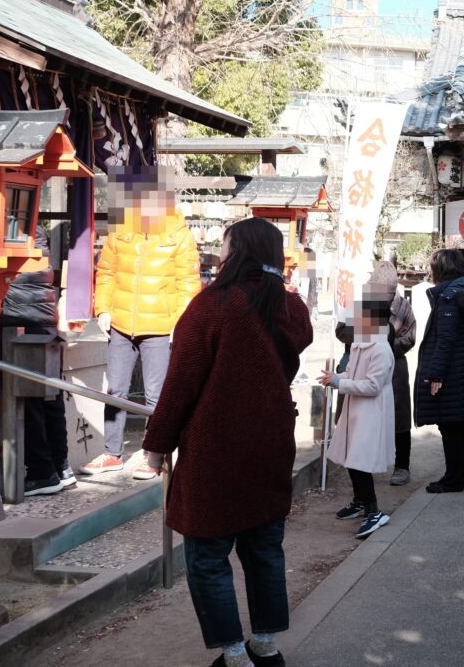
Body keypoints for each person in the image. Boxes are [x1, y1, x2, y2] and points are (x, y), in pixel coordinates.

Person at [141, 218, 314, 667]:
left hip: (215, 450)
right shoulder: (291, 309)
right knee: (263, 550)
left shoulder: (213, 306)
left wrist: (156, 445)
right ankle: (266, 645)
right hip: (270, 445)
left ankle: (234, 653)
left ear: (238, 250)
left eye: (224, 242)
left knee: (207, 556)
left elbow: (180, 384)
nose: (218, 250)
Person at [85, 165, 201, 479]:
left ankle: (155, 456)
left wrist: (181, 323)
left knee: (157, 394)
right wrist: (103, 308)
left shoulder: (180, 235)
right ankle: (112, 453)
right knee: (116, 390)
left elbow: (188, 285)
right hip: (121, 322)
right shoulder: (122, 228)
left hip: (161, 327)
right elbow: (105, 272)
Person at [321, 269, 396, 539]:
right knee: (353, 458)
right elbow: (354, 374)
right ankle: (361, 502)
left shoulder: (380, 349)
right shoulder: (360, 343)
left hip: (371, 412)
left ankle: (374, 510)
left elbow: (373, 386)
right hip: (357, 409)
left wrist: (340, 383)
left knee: (359, 461)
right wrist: (336, 378)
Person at [3, 226, 74, 496]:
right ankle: (60, 466)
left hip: (22, 326)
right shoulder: (36, 232)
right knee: (49, 396)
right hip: (43, 324)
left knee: (31, 400)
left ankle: (42, 472)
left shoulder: (8, 232)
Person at [334, 262, 417, 486]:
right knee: (357, 416)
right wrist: (365, 335)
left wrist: (387, 346)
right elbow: (341, 331)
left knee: (399, 418)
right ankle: (356, 461)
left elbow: (409, 338)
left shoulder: (403, 306)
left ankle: (402, 466)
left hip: (394, 365)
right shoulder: (361, 303)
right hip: (359, 361)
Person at [415, 249, 464, 493]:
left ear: (442, 268)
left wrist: (435, 375)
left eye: (432, 265)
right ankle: (456, 476)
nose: (430, 270)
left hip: (453, 370)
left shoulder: (449, 297)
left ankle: (454, 479)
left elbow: (445, 340)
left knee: (450, 426)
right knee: (456, 424)